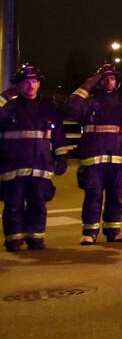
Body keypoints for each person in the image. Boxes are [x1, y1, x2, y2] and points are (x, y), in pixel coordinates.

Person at [64, 63, 122, 244]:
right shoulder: (88, 102)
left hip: (117, 157)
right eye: (104, 78)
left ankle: (114, 230)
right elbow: (70, 108)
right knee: (93, 195)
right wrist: (88, 84)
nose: (108, 81)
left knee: (116, 195)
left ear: (117, 82)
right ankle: (90, 232)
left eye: (112, 78)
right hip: (93, 157)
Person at [0, 64, 68, 251]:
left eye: (34, 81)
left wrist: (61, 156)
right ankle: (13, 240)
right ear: (18, 85)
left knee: (38, 203)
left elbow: (59, 135)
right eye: (26, 81)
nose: (30, 85)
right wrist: (4, 96)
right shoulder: (9, 107)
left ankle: (35, 238)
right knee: (13, 205)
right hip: (13, 165)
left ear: (39, 84)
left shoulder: (49, 107)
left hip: (41, 165)